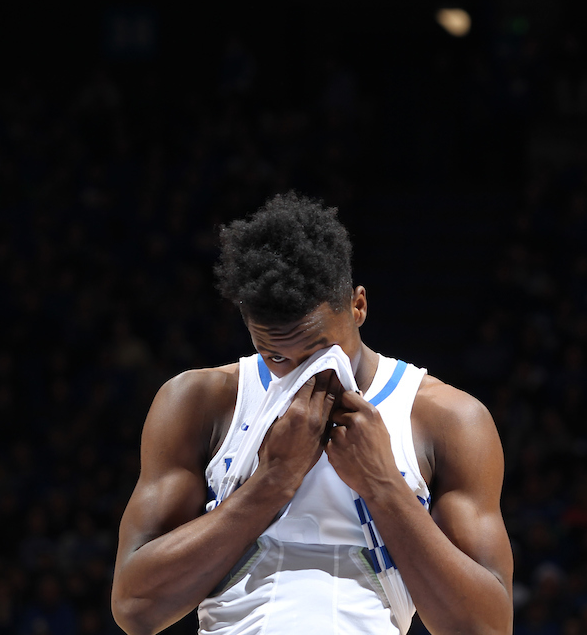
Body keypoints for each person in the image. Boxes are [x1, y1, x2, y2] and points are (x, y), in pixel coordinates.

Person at [112, 192, 514, 635]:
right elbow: (135, 608)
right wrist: (273, 481)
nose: (305, 374)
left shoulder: (448, 418)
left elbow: (487, 628)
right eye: (276, 356)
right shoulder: (198, 401)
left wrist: (382, 485)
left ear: (358, 306)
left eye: (320, 350)